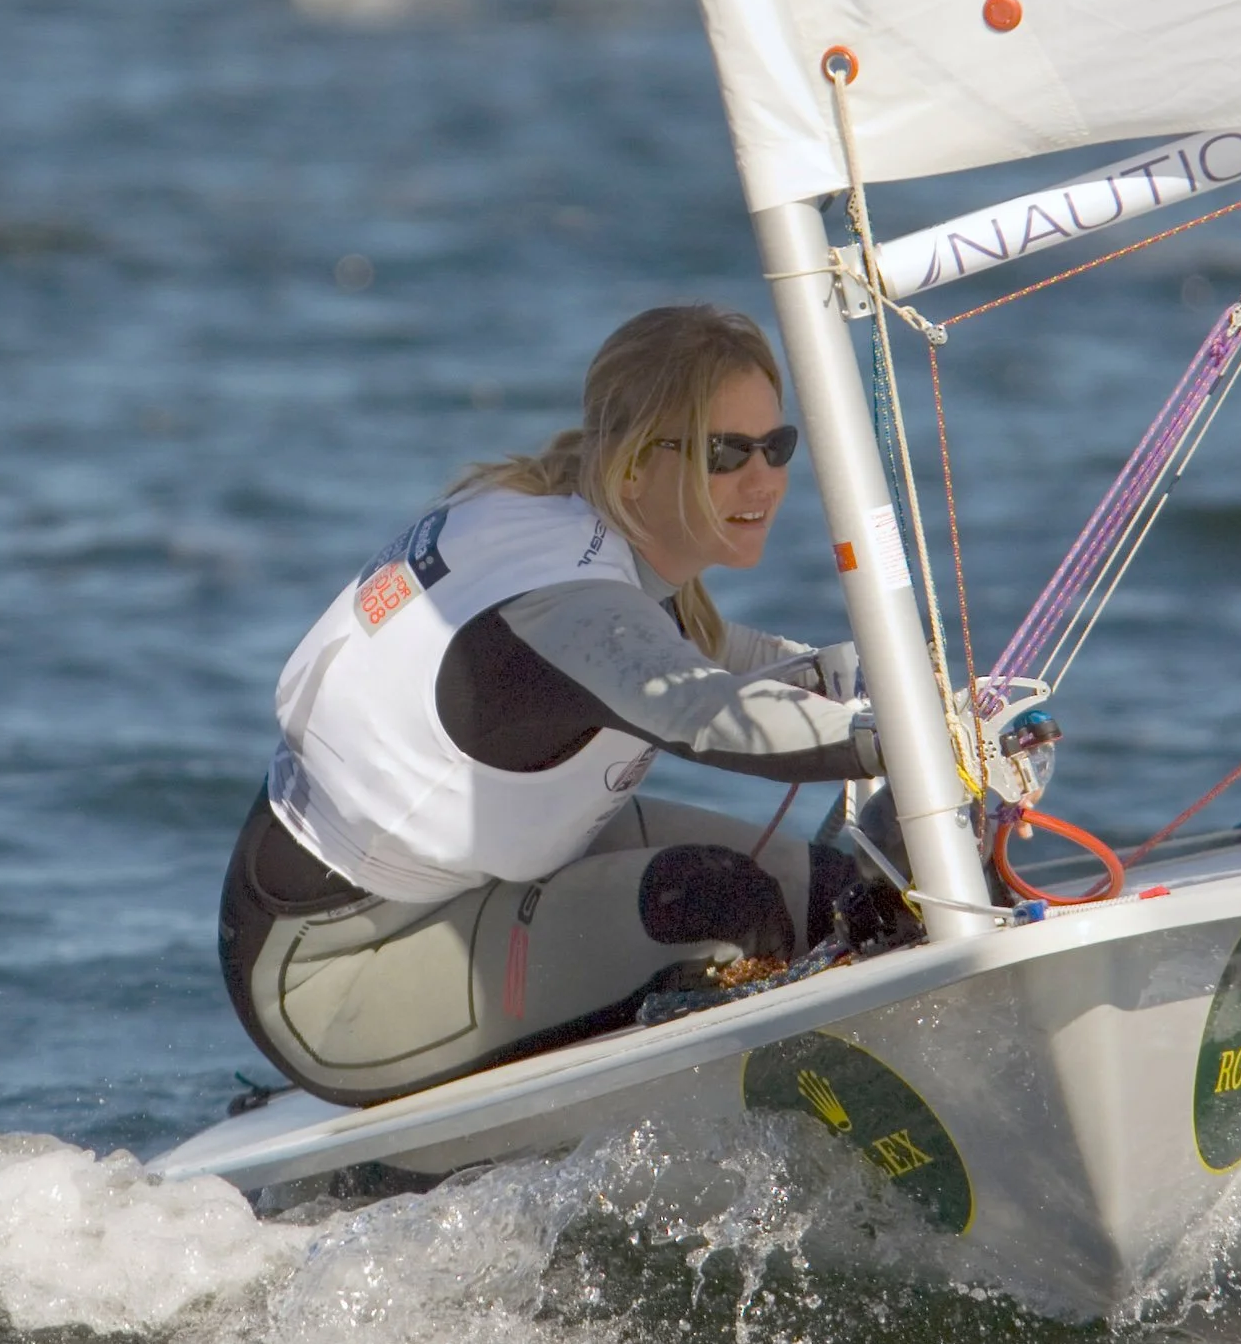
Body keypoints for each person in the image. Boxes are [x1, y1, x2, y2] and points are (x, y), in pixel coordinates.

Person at [217, 304, 897, 1108]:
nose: (764, 478)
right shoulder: (565, 603)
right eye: (727, 453)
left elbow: (732, 665)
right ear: (638, 464)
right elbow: (704, 711)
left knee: (840, 895)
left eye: (775, 446)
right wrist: (897, 741)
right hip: (335, 970)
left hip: (490, 872)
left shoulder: (600, 536)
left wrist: (902, 692)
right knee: (722, 908)